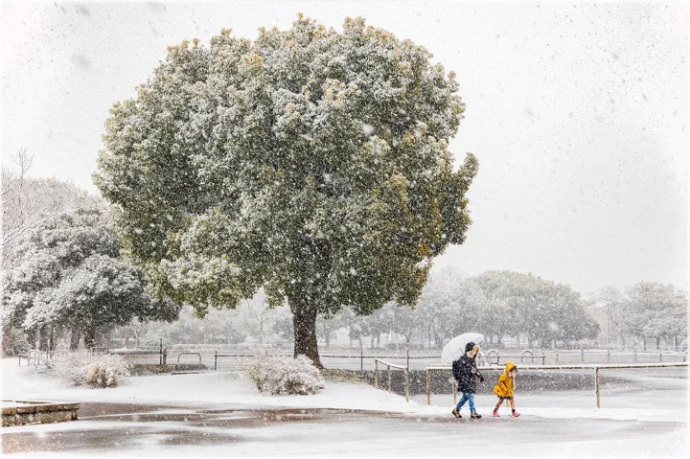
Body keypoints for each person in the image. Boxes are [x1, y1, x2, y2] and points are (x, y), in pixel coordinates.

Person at [451, 342, 484, 419]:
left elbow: (474, 370)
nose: (475, 352)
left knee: (466, 396)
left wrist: (480, 376)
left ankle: (456, 409)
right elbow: (462, 370)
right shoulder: (462, 360)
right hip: (464, 381)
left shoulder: (471, 360)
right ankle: (473, 412)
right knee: (470, 394)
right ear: (470, 351)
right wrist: (470, 370)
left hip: (470, 380)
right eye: (474, 351)